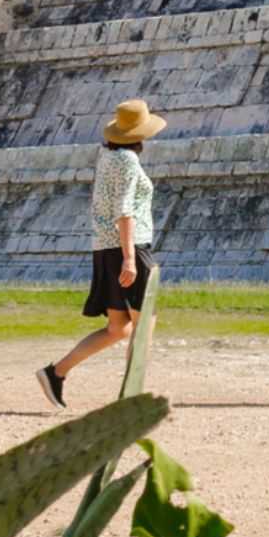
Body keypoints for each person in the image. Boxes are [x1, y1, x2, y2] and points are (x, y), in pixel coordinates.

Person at [41, 99, 164, 406]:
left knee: (118, 327)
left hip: (105, 247)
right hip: (127, 246)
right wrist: (130, 258)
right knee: (144, 322)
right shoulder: (127, 161)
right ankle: (131, 398)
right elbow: (124, 211)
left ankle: (56, 372)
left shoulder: (107, 155)